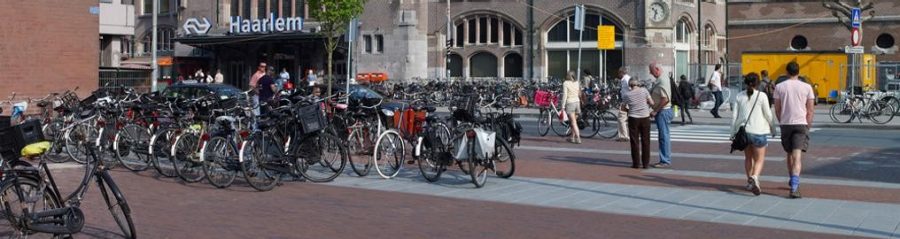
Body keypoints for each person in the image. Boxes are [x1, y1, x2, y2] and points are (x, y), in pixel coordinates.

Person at [773, 61, 815, 199]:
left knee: (789, 154)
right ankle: (795, 186)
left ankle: (792, 179)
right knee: (797, 156)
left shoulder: (779, 87)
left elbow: (777, 109)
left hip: (786, 124)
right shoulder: (807, 87)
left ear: (786, 72)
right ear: (798, 72)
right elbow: (810, 109)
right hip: (801, 123)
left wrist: (781, 121)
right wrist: (808, 124)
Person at [731, 72, 776, 196]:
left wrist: (732, 132)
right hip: (759, 132)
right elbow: (768, 114)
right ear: (758, 83)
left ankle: (749, 181)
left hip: (744, 132)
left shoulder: (739, 96)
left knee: (748, 158)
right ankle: (755, 177)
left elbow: (734, 116)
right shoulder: (762, 96)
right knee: (759, 159)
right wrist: (773, 129)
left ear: (745, 83)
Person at [622, 78, 654, 169]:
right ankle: (646, 163)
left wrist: (629, 110)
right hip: (645, 117)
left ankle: (636, 163)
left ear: (629, 85)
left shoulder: (627, 95)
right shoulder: (644, 91)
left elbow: (623, 108)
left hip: (633, 118)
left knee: (634, 141)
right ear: (638, 84)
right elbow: (652, 102)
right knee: (646, 141)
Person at [648, 64, 673, 168]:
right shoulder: (662, 79)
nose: (650, 73)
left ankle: (665, 160)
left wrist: (655, 111)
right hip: (663, 111)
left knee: (664, 136)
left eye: (651, 71)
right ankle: (665, 159)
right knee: (664, 135)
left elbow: (665, 99)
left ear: (657, 69)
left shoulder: (662, 81)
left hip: (663, 111)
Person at [561, 71, 582, 144]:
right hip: (577, 103)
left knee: (573, 122)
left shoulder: (565, 83)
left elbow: (565, 95)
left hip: (570, 103)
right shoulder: (577, 82)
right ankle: (572, 138)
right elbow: (579, 93)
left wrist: (562, 106)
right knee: (574, 122)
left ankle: (578, 137)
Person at [616, 67, 631, 142]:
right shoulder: (626, 79)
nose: (618, 74)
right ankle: (625, 135)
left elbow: (631, 89)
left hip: (626, 102)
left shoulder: (626, 79)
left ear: (622, 73)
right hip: (627, 101)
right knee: (625, 119)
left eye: (619, 73)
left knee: (621, 118)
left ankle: (624, 136)